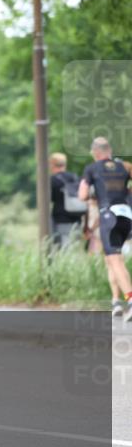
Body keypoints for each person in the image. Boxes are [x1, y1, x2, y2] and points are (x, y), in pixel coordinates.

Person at [78, 137, 132, 322]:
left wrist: (95, 193)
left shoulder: (92, 168)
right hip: (126, 215)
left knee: (115, 260)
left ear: (95, 153)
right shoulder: (125, 166)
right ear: (109, 150)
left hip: (108, 215)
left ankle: (130, 300)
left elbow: (82, 195)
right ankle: (116, 301)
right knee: (112, 259)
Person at [49, 153, 85, 247]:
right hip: (77, 219)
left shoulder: (52, 180)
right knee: (74, 247)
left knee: (63, 249)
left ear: (52, 164)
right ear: (65, 164)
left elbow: (49, 199)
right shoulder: (75, 177)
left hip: (60, 219)